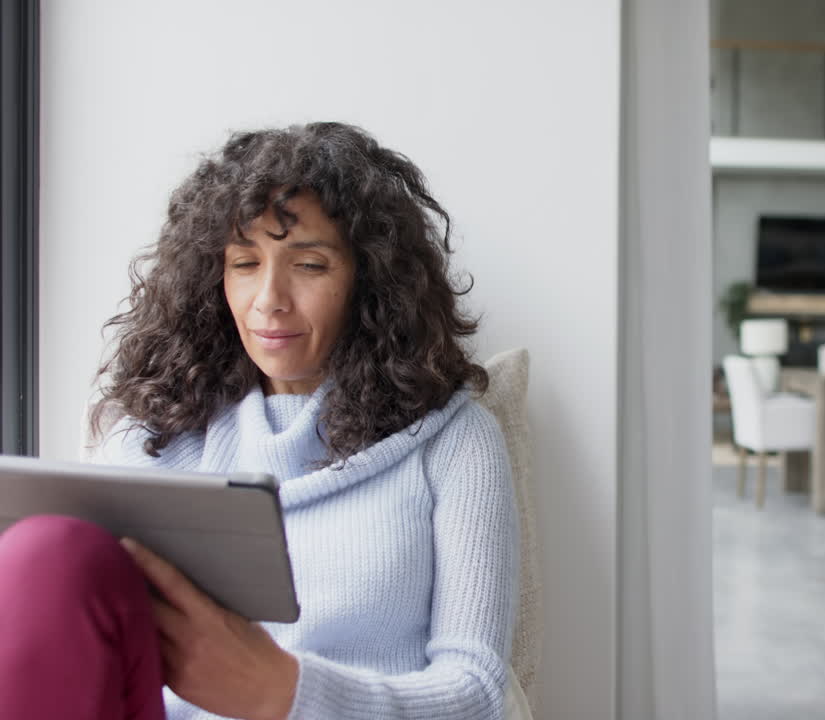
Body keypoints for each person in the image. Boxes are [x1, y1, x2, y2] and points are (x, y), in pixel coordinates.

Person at [0, 122, 519, 720]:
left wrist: (285, 692)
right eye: (245, 263)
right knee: (47, 550)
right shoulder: (155, 431)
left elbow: (477, 695)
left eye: (310, 265)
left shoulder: (454, 441)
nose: (268, 298)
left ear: (368, 281)